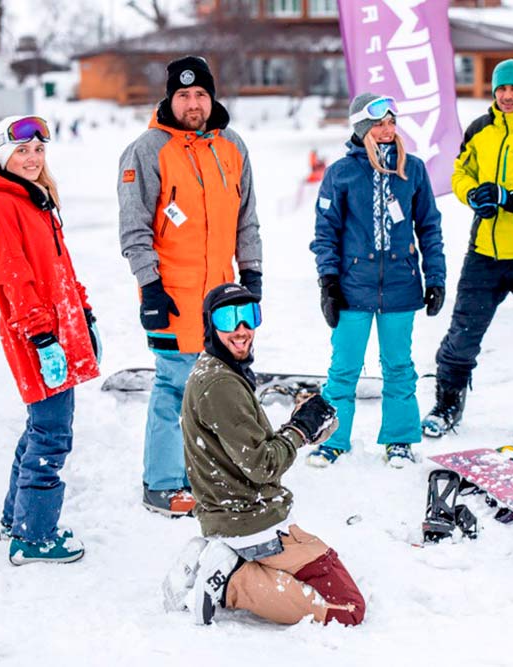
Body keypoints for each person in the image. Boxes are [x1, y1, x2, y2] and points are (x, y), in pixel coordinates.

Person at [162, 283, 365, 627]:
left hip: (240, 510)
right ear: (210, 325)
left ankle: (224, 558)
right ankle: (230, 581)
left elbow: (247, 449)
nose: (241, 329)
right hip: (251, 520)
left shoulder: (216, 370)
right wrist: (299, 431)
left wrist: (300, 427)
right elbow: (261, 464)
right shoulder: (221, 384)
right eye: (228, 318)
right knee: (347, 608)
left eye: (249, 316)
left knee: (327, 568)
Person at [118, 55, 262, 517]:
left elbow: (247, 219)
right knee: (173, 387)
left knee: (216, 388)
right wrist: (150, 286)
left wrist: (251, 273)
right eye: (184, 95)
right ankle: (161, 483)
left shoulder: (232, 145)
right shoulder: (148, 150)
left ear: (211, 96)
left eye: (200, 94)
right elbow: (134, 228)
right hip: (171, 294)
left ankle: (205, 477)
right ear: (170, 98)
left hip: (220, 298)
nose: (193, 103)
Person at [421, 59, 513, 444]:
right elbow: (460, 172)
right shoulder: (480, 130)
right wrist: (471, 194)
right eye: (501, 89)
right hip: (484, 251)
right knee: (462, 333)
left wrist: (511, 199)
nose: (507, 96)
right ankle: (447, 405)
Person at [0, 115, 101, 564]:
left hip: (60, 329)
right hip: (37, 335)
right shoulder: (1, 206)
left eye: (38, 150)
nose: (32, 158)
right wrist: (44, 337)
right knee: (51, 433)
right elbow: (13, 279)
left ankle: (17, 518)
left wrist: (84, 313)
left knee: (40, 428)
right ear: (5, 155)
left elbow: (60, 269)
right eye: (22, 151)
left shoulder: (37, 200)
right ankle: (33, 535)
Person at [309, 93, 446, 468]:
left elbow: (429, 227)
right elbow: (326, 232)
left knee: (399, 367)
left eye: (391, 122)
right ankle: (333, 439)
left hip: (401, 287)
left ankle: (399, 440)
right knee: (344, 369)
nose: (387, 130)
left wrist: (435, 277)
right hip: (353, 288)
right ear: (361, 128)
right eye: (378, 124)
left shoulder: (412, 169)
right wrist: (329, 282)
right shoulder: (342, 172)